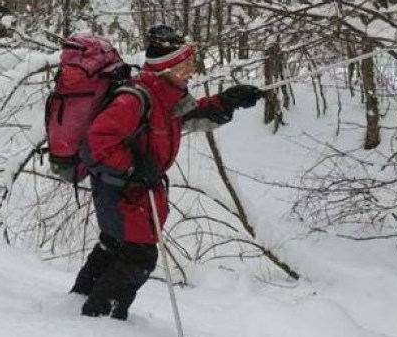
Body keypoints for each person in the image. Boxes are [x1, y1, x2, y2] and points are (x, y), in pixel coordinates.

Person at [70, 25, 263, 319]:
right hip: (123, 191)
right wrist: (134, 167)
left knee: (115, 245)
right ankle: (101, 320)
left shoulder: (166, 96)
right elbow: (97, 144)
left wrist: (226, 103)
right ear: (167, 68)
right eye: (185, 65)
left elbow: (187, 118)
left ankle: (79, 304)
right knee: (139, 255)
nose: (192, 70)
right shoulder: (135, 99)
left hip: (127, 190)